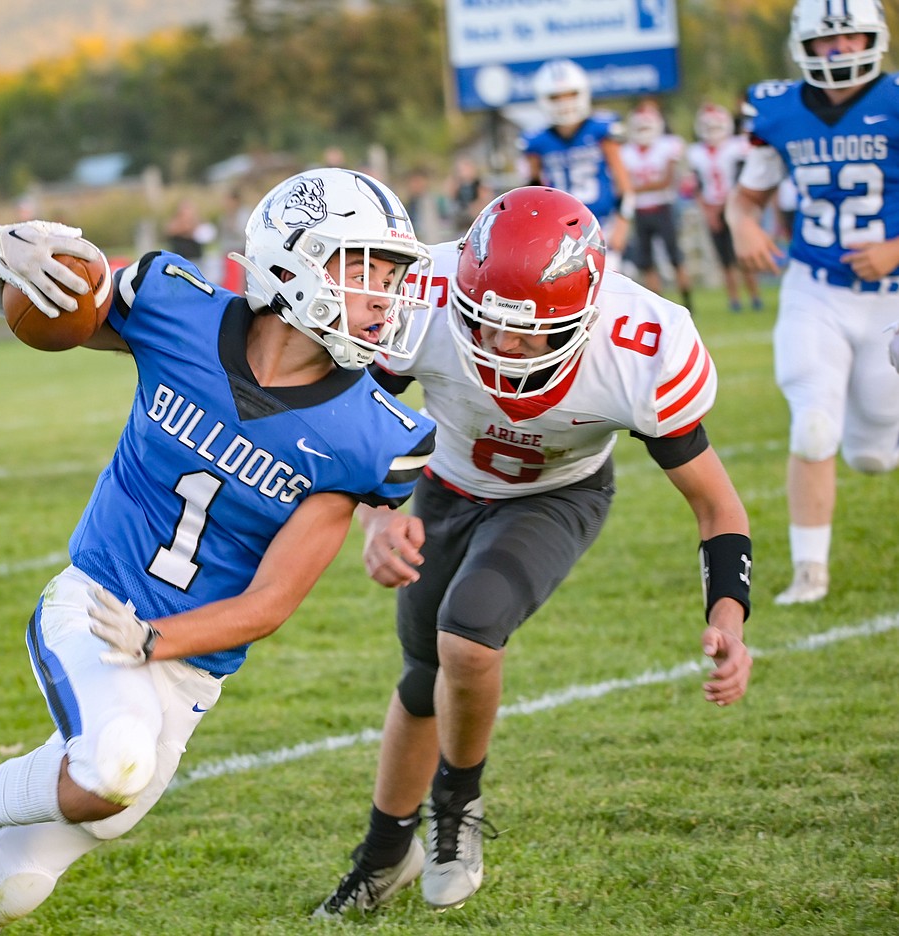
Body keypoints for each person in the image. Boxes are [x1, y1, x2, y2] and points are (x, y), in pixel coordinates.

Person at [0, 167, 439, 934]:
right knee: (112, 766)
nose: (383, 299)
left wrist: (160, 640)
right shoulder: (178, 308)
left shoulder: (365, 435)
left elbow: (270, 603)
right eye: (366, 271)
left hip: (184, 665)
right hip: (96, 601)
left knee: (17, 882)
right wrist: (1, 259)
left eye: (390, 278)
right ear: (294, 262)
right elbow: (57, 305)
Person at [314, 187, 753, 917]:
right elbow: (362, 420)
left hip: (556, 496)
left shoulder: (638, 344)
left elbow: (716, 503)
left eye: (528, 334)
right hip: (446, 485)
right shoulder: (421, 295)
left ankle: (457, 813)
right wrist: (377, 516)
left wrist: (729, 617)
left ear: (585, 312)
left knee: (468, 634)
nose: (504, 348)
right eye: (484, 326)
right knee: (422, 674)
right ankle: (384, 856)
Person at [726, 0, 899, 605]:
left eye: (851, 38)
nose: (841, 51)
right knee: (814, 421)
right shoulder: (779, 109)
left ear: (873, 39)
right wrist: (742, 223)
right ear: (804, 46)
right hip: (814, 287)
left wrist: (895, 248)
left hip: (891, 298)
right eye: (828, 41)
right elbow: (745, 198)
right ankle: (810, 572)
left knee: (876, 454)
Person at [519, 58, 635, 259]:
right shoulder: (537, 141)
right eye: (556, 97)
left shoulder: (601, 130)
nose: (564, 103)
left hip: (602, 224)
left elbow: (624, 183)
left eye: (570, 94)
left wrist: (622, 224)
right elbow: (533, 191)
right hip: (560, 228)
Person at [685, 103, 763, 313]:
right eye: (708, 127)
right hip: (712, 207)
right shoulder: (696, 152)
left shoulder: (736, 146)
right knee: (725, 259)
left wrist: (735, 206)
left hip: (734, 205)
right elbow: (698, 185)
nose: (712, 132)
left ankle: (755, 297)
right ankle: (734, 300)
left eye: (716, 126)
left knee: (743, 255)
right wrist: (708, 210)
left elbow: (743, 179)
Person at [619, 100, 694, 311]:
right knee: (646, 261)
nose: (643, 131)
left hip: (663, 207)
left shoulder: (666, 145)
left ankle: (688, 301)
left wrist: (636, 188)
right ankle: (658, 304)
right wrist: (643, 187)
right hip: (640, 211)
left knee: (675, 257)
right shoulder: (626, 151)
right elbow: (623, 183)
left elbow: (666, 181)